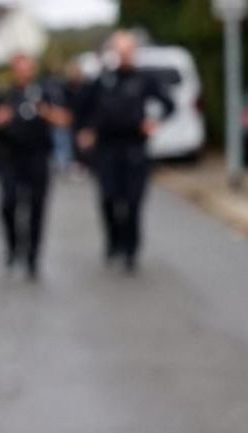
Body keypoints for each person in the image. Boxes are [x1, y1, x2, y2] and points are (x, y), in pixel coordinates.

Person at [76, 30, 174, 272]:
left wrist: (154, 121)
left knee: (133, 201)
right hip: (107, 149)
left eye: (128, 50)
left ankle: (131, 249)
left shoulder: (144, 79)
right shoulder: (102, 80)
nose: (125, 55)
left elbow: (168, 104)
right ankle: (113, 241)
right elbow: (82, 108)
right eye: (120, 51)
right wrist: (86, 130)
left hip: (135, 148)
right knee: (108, 198)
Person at [0, 53, 70, 280]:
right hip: (10, 158)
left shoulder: (46, 92)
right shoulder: (2, 94)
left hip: (37, 157)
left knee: (36, 208)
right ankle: (13, 246)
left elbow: (65, 119)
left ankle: (32, 258)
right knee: (8, 204)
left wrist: (46, 112)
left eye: (27, 68)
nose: (23, 72)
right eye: (19, 68)